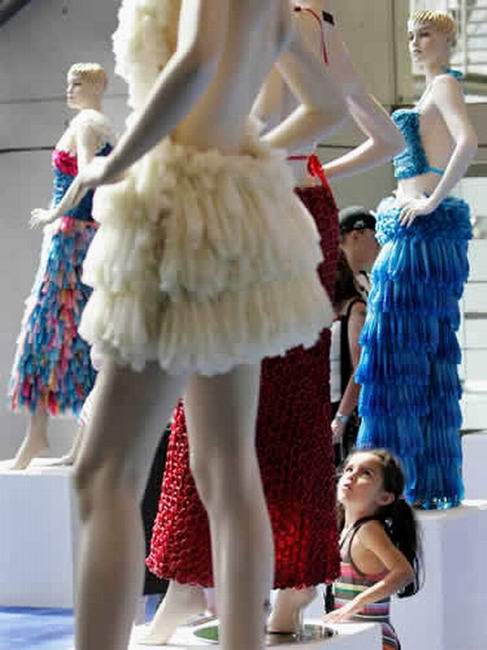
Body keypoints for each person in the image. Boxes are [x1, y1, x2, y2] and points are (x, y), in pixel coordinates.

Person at [60, 3, 340, 650]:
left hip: (178, 212)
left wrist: (111, 164)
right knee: (227, 469)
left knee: (103, 471)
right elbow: (325, 103)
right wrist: (245, 159)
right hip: (233, 216)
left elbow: (198, 60)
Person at [142, 2, 404, 644]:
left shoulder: (266, 19)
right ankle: (289, 598)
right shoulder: (323, 28)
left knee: (215, 406)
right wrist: (314, 167)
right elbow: (387, 140)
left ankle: (190, 588)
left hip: (258, 209)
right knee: (290, 407)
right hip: (307, 211)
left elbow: (262, 120)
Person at [355, 10, 478, 509]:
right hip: (412, 230)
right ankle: (411, 481)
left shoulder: (445, 86)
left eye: (424, 34)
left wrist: (431, 202)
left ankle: (390, 484)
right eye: (410, 35)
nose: (414, 42)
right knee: (416, 357)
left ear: (448, 39)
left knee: (397, 351)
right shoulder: (431, 92)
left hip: (420, 235)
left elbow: (468, 142)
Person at [7, 62, 113, 471]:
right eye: (69, 82)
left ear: (97, 86)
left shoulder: (87, 123)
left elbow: (88, 175)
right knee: (82, 339)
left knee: (46, 332)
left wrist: (55, 213)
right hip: (84, 238)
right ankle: (72, 445)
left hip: (70, 242)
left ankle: (39, 437)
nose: (69, 89)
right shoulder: (102, 125)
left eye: (77, 83)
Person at [325, 449, 422, 650]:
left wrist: (356, 604)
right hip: (359, 639)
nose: (352, 475)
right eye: (349, 469)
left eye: (366, 473)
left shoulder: (368, 530)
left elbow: (404, 573)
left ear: (384, 498)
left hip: (375, 640)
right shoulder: (346, 530)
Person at [330, 208, 379, 464]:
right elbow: (360, 363)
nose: (378, 244)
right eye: (375, 236)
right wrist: (341, 416)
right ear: (356, 235)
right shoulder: (338, 295)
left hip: (359, 404)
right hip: (340, 403)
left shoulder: (370, 284)